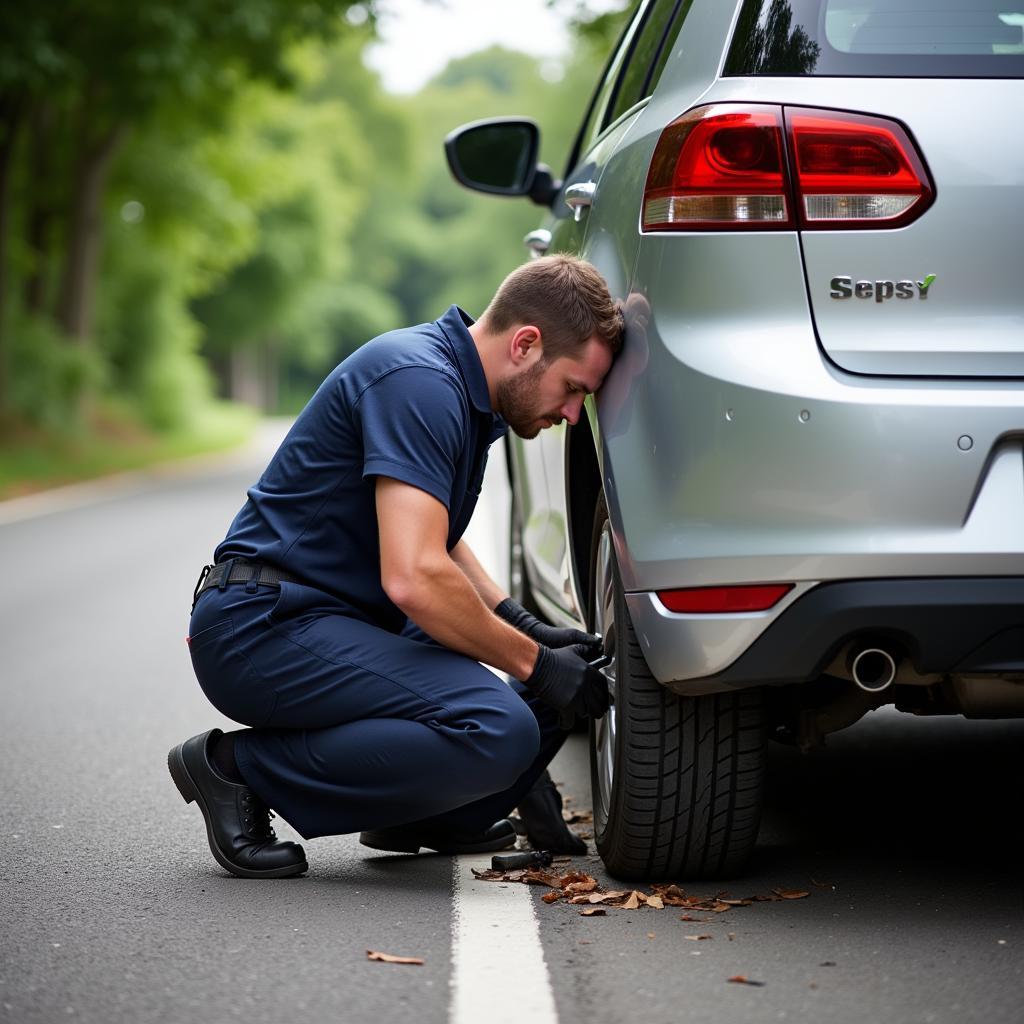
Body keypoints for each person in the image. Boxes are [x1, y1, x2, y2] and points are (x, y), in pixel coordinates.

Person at [168, 254, 624, 878]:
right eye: (573, 388)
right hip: (262, 626)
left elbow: (438, 541)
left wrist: (524, 626)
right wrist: (535, 663)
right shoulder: (418, 381)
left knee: (542, 709)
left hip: (343, 619)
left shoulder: (465, 394)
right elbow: (413, 577)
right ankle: (235, 770)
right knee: (500, 725)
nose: (573, 413)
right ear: (525, 344)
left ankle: (422, 816)